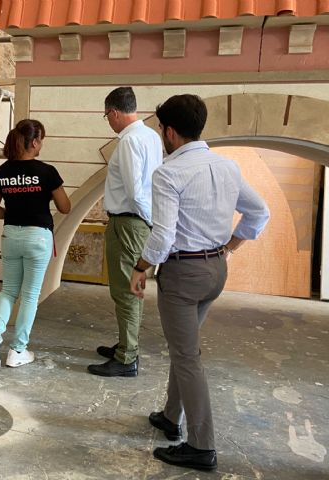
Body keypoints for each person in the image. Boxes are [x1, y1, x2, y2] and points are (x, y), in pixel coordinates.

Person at [130, 94, 270, 471]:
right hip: (215, 271)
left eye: (161, 129)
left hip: (182, 274)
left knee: (187, 357)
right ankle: (170, 416)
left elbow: (162, 236)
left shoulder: (169, 173)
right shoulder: (227, 167)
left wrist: (140, 266)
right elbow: (260, 211)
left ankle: (201, 445)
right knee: (185, 346)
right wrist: (231, 246)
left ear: (170, 132)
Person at [88, 87, 163, 378]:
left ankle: (127, 356)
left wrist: (145, 220)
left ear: (115, 112)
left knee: (126, 290)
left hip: (130, 221)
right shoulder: (151, 137)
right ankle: (127, 343)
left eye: (107, 115)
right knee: (134, 287)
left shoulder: (130, 141)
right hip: (138, 220)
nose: (108, 120)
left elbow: (134, 191)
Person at [0, 119, 71, 370]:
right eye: (41, 139)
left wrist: (12, 215)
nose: (41, 144)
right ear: (34, 142)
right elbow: (65, 207)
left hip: (11, 235)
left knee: (9, 290)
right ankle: (18, 350)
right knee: (30, 295)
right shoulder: (47, 172)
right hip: (38, 237)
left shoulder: (3, 172)